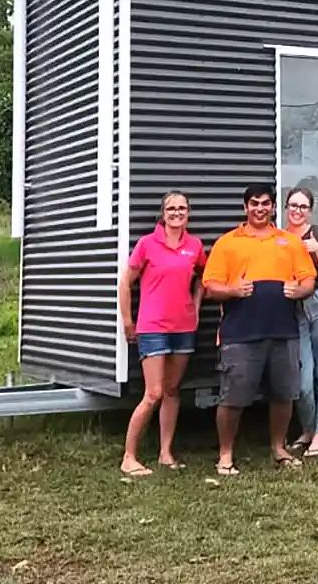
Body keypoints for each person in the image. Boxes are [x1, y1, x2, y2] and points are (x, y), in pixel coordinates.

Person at [201, 184, 317, 475]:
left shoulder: (289, 241)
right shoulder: (228, 243)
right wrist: (233, 289)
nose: (260, 208)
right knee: (233, 397)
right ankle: (225, 454)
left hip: (284, 331)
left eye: (266, 203)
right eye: (254, 203)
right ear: (245, 207)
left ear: (273, 207)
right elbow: (211, 287)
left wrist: (300, 290)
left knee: (284, 394)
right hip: (240, 333)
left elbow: (308, 280)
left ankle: (279, 448)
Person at [117, 190, 207, 476]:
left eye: (182, 208)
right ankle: (129, 457)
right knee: (153, 393)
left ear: (188, 213)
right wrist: (127, 321)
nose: (177, 213)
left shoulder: (195, 245)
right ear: (163, 213)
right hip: (153, 328)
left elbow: (203, 278)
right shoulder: (147, 244)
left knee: (171, 390)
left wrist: (195, 306)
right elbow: (125, 282)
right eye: (171, 208)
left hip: (184, 328)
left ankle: (166, 453)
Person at [282, 186, 318, 458]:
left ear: (310, 210)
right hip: (294, 308)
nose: (297, 211)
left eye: (303, 206)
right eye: (293, 205)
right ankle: (308, 427)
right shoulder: (280, 238)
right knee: (302, 381)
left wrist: (317, 250)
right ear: (286, 207)